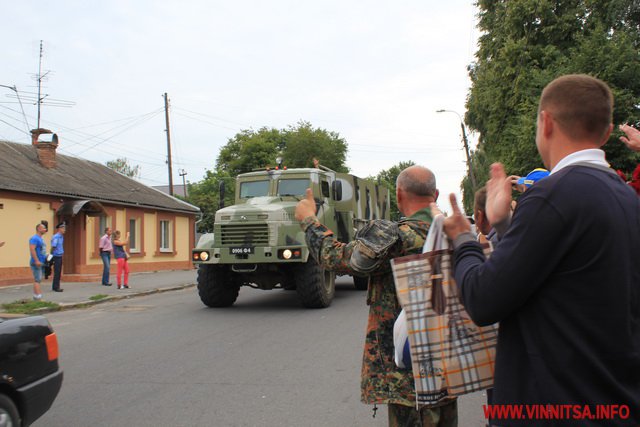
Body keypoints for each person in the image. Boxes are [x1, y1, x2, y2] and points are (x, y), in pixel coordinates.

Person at [434, 74, 640, 426]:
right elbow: (564, 278)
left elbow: (484, 299)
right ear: (605, 133)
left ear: (545, 122)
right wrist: (502, 226)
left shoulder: (554, 195)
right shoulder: (624, 195)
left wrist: (464, 238)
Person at [295, 166, 457, 427]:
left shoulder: (399, 239)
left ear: (399, 194)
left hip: (407, 376)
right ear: (435, 194)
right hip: (450, 365)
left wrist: (309, 221)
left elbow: (337, 258)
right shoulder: (456, 235)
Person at [28, 222, 47, 300]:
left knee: (39, 279)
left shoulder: (40, 239)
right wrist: (36, 260)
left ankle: (36, 297)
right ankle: (38, 297)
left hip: (41, 261)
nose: (45, 229)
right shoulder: (34, 238)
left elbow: (41, 250)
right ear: (39, 229)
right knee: (37, 279)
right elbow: (32, 249)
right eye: (43, 228)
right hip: (36, 262)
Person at [50, 222, 66, 292]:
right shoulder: (56, 237)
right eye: (63, 228)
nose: (64, 229)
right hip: (56, 256)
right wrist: (51, 255)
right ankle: (56, 287)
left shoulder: (61, 236)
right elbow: (53, 246)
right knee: (57, 272)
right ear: (59, 229)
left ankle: (56, 286)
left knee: (58, 272)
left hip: (59, 256)